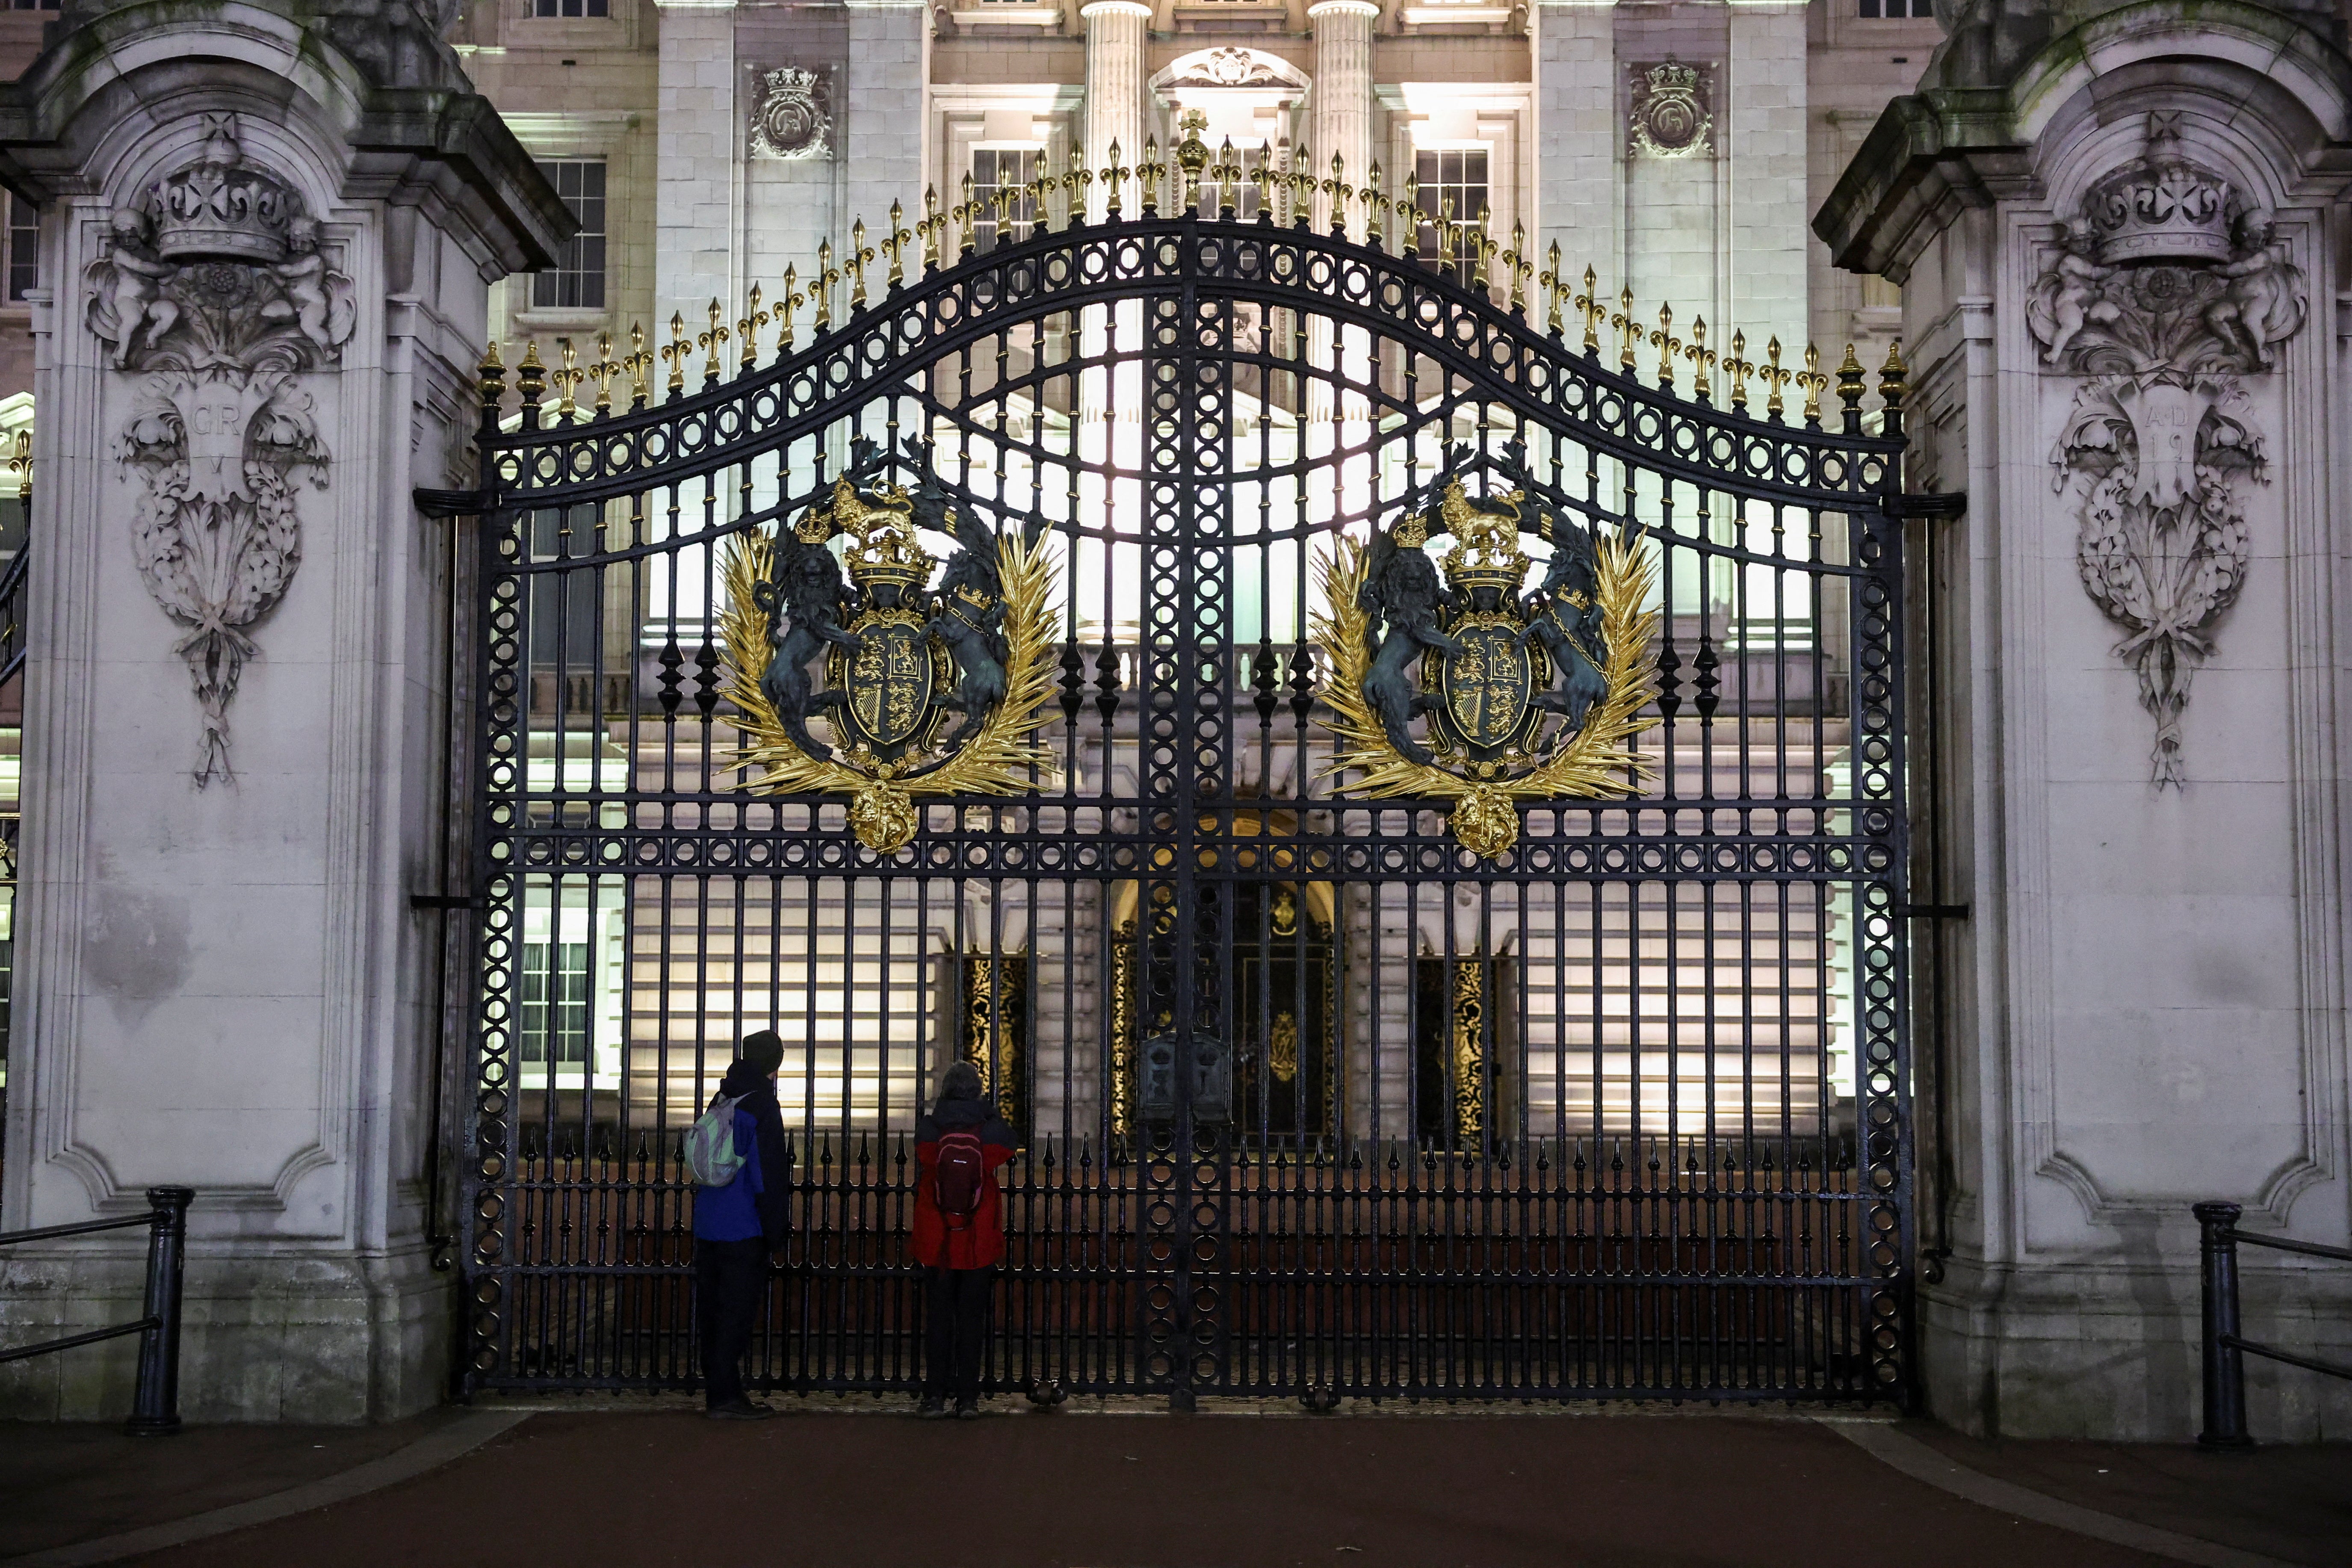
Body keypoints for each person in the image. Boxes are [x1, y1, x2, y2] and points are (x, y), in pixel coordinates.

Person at [692, 1029, 791, 1420]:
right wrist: (775, 1229)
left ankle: (720, 1391)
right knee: (736, 1312)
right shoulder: (763, 1103)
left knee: (713, 1311)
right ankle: (726, 1396)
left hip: (709, 1221)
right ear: (775, 1064)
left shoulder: (723, 1095)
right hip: (743, 1224)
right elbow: (767, 1175)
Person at [910, 1060, 1016, 1419]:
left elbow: (925, 1157)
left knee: (939, 1318)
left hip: (937, 1237)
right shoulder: (990, 1128)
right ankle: (968, 1397)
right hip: (977, 1236)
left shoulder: (930, 1126)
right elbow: (1008, 1147)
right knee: (972, 1319)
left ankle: (934, 1395)